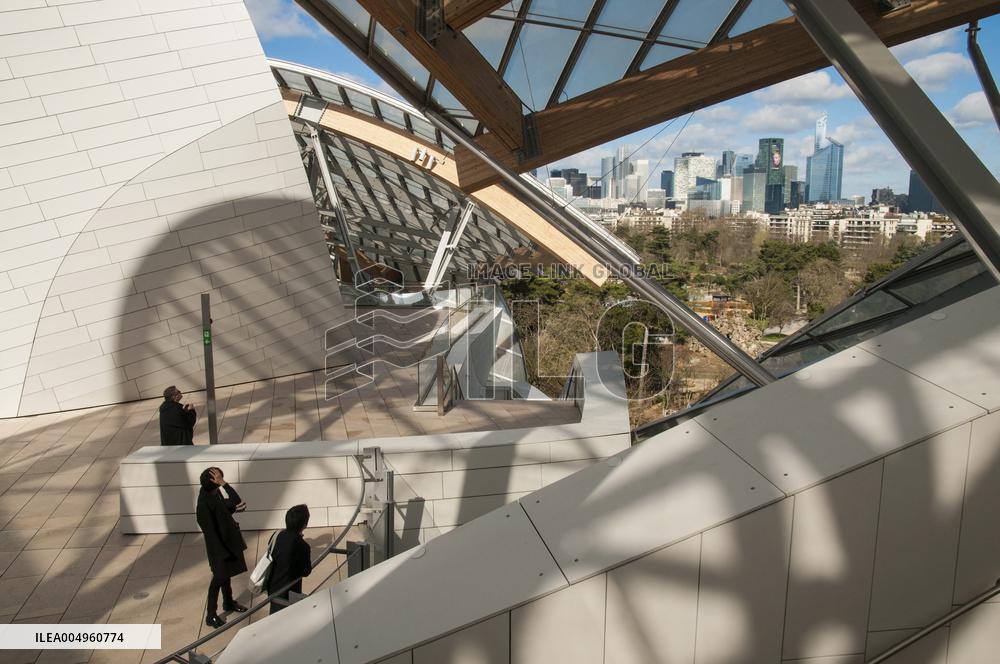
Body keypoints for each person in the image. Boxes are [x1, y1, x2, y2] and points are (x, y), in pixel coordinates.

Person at [196, 467, 248, 628]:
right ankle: (211, 615)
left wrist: (232, 509)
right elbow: (210, 532)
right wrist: (221, 554)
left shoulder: (214, 493)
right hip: (219, 549)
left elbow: (232, 502)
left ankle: (228, 602)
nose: (221, 481)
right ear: (214, 482)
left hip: (228, 542)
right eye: (219, 480)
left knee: (227, 575)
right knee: (218, 580)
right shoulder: (204, 503)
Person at [265, 504, 313, 615]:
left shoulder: (277, 535)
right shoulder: (303, 545)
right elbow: (306, 571)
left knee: (274, 614)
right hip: (289, 592)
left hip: (272, 586)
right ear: (304, 525)